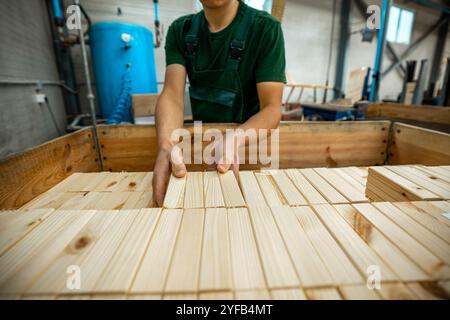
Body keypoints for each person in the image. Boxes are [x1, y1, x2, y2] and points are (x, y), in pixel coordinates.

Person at [153, 0, 286, 206]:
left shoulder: (266, 28)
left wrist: (235, 139)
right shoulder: (181, 31)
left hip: (251, 150)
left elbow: (272, 108)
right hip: (201, 150)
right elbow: (171, 94)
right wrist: (166, 145)